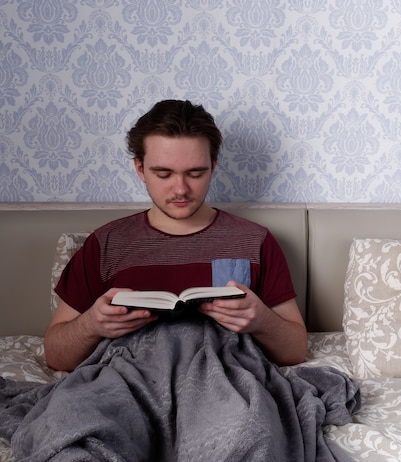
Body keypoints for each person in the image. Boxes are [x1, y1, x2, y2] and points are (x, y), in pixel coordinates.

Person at [44, 99, 307, 371]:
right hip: (129, 381)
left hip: (224, 379)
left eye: (195, 173)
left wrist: (262, 320)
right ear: (140, 169)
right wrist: (91, 325)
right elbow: (56, 356)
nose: (180, 189)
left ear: (213, 167)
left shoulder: (255, 241)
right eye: (164, 173)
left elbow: (296, 350)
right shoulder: (106, 243)